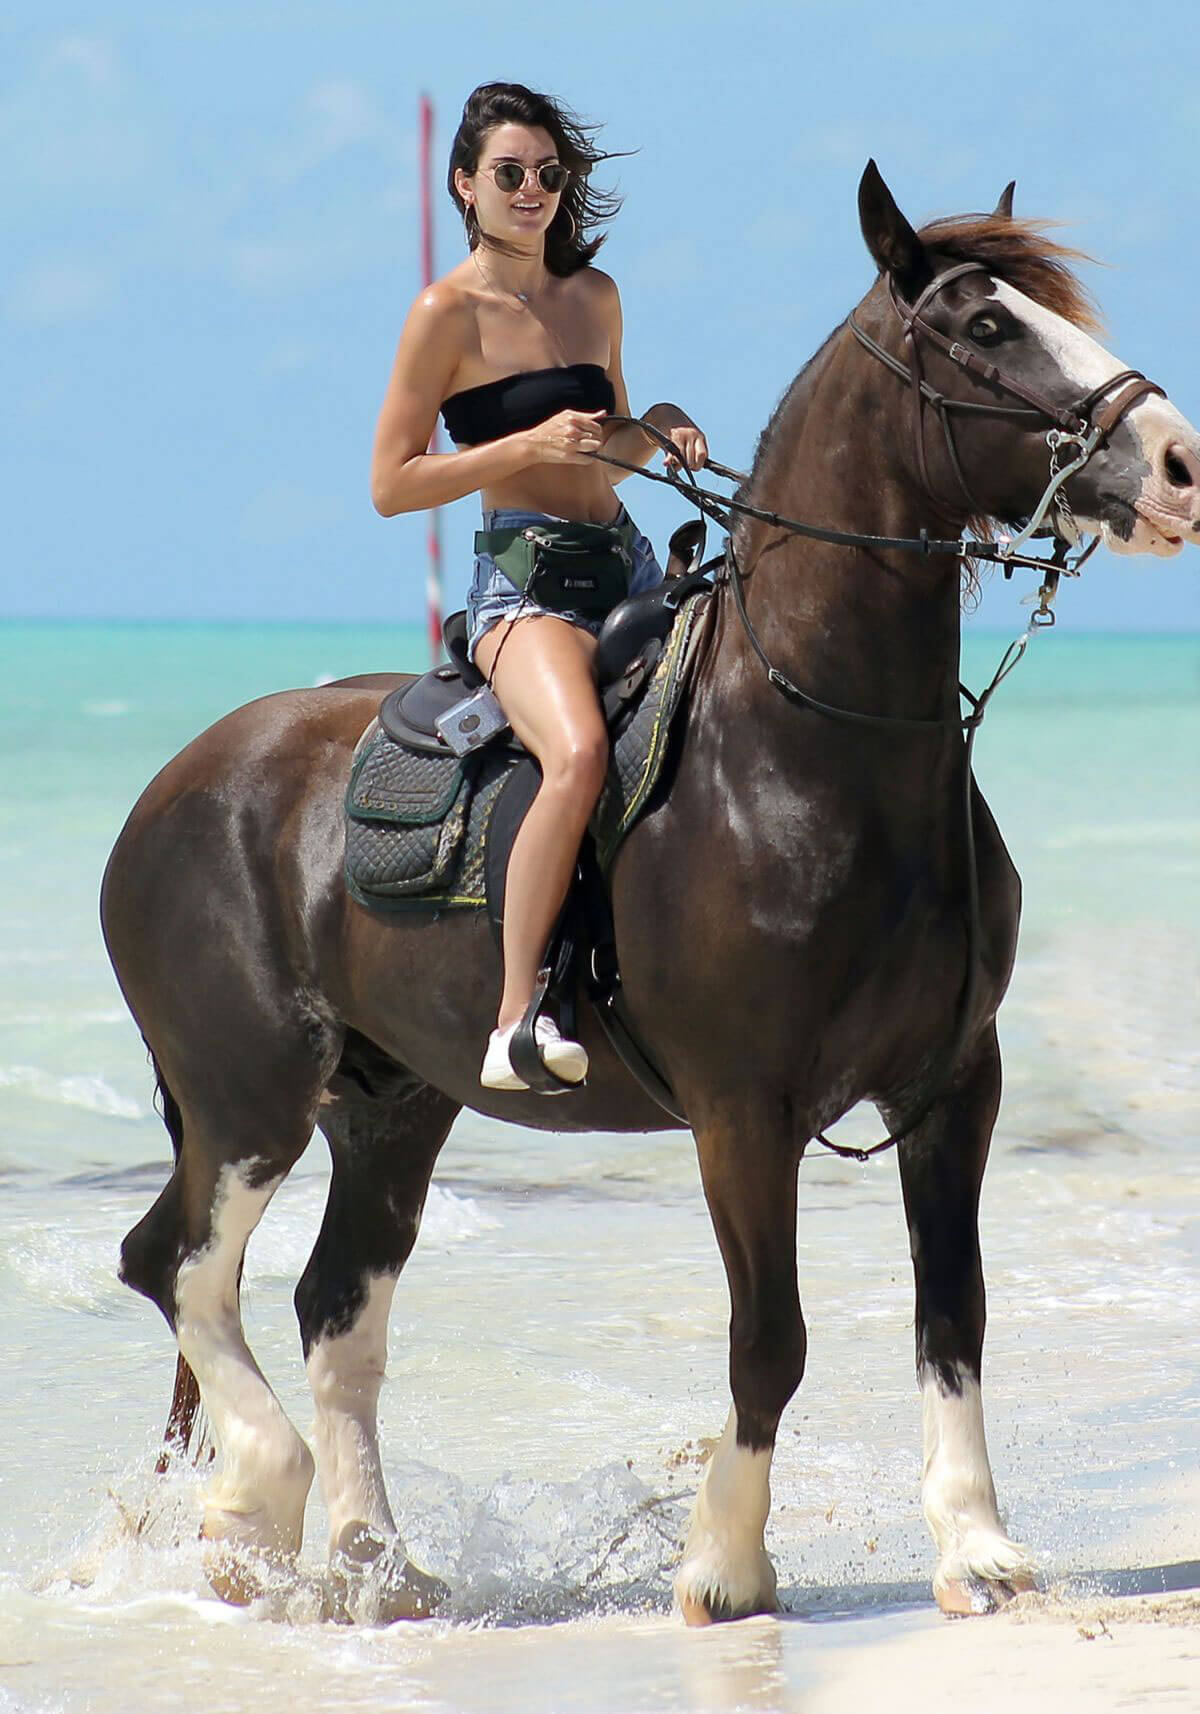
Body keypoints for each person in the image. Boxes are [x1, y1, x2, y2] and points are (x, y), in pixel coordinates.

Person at [371, 81, 707, 1092]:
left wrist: (660, 426)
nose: (531, 190)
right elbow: (392, 484)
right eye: (509, 173)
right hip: (526, 590)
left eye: (548, 174)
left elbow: (602, 466)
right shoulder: (445, 313)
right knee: (580, 754)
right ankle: (515, 1015)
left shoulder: (593, 298)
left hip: (628, 564)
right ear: (465, 186)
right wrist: (520, 441)